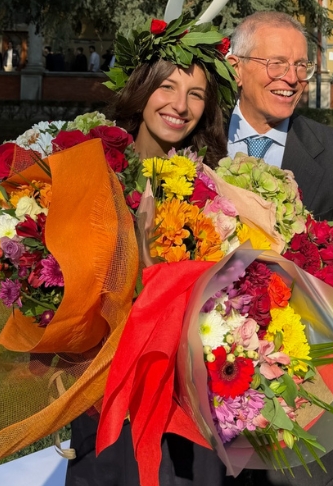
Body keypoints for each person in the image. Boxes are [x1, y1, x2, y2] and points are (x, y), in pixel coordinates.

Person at [64, 14, 235, 486]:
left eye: (195, 94)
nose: (180, 105)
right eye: (167, 87)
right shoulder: (94, 170)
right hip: (105, 393)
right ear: (141, 89)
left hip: (184, 403)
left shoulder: (213, 190)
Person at [226, 11, 333, 485]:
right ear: (236, 67)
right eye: (275, 63)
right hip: (200, 378)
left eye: (300, 66)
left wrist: (295, 356)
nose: (290, 78)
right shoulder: (191, 137)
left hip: (297, 377)